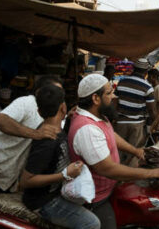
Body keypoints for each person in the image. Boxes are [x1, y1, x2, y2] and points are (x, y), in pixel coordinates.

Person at [69, 74, 159, 229]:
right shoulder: (87, 129)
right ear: (95, 99)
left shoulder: (98, 116)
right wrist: (153, 173)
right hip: (97, 199)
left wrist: (136, 151)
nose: (114, 96)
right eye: (109, 93)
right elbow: (109, 169)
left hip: (109, 189)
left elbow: (111, 134)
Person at [20, 83, 100, 229]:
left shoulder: (56, 129)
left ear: (39, 111)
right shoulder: (47, 141)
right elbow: (26, 181)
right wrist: (64, 175)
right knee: (92, 223)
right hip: (43, 201)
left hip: (55, 192)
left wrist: (68, 120)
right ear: (63, 107)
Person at [0, 76, 63, 193]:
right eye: (51, 91)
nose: (55, 96)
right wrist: (35, 134)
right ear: (38, 92)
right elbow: (0, 120)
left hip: (6, 173)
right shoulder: (27, 102)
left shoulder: (56, 115)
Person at [114, 58, 156, 165]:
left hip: (120, 123)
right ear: (146, 72)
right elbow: (151, 110)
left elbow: (115, 103)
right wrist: (155, 123)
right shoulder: (148, 88)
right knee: (134, 154)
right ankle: (128, 178)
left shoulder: (122, 82)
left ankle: (116, 175)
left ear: (133, 68)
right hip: (136, 125)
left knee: (117, 152)